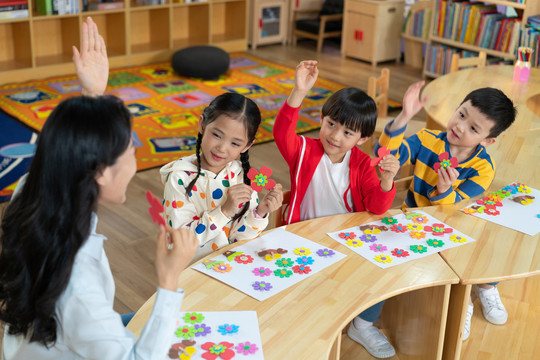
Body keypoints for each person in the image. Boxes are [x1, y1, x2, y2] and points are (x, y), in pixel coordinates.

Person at [0, 18, 199, 359]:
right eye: (132, 150)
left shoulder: (33, 192)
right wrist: (168, 280)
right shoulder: (78, 287)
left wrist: (94, 96)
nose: (136, 160)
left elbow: (65, 153)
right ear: (102, 173)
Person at [376, 82, 517, 343]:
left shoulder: (483, 167)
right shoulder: (426, 139)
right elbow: (385, 153)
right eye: (461, 114)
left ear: (487, 140)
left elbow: (457, 211)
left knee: (486, 248)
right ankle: (465, 292)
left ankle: (481, 291)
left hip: (455, 226)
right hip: (413, 220)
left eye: (473, 128)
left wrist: (443, 190)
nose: (460, 126)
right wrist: (405, 116)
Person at [160, 93, 284, 262]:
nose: (222, 148)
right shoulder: (178, 177)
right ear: (202, 124)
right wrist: (224, 211)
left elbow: (240, 239)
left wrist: (260, 212)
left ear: (247, 146)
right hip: (191, 272)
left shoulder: (241, 175)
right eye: (217, 135)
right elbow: (181, 242)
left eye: (235, 143)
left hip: (231, 266)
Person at [273, 60, 398, 224]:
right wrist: (299, 90)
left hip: (343, 237)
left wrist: (387, 181)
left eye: (347, 132)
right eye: (331, 124)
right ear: (321, 119)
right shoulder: (303, 150)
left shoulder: (363, 164)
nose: (335, 136)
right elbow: (282, 132)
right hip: (301, 236)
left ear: (362, 139)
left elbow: (376, 207)